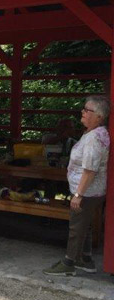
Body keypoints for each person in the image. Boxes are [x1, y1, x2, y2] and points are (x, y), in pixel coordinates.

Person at [43, 96, 110, 276]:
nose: (83, 112)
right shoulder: (96, 133)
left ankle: (69, 262)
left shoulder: (94, 138)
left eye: (87, 110)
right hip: (92, 190)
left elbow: (90, 169)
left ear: (99, 116)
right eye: (84, 109)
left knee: (76, 226)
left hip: (87, 191)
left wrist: (78, 194)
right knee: (85, 224)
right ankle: (85, 258)